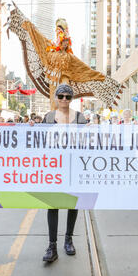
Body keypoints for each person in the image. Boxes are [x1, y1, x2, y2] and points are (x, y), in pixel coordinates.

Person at [7, 6, 123, 110]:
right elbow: (37, 37)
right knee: (54, 100)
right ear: (60, 41)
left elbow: (87, 70)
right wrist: (25, 23)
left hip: (65, 78)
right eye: (63, 41)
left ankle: (64, 113)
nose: (65, 44)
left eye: (67, 42)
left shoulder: (70, 57)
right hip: (53, 78)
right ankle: (54, 117)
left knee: (65, 92)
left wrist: (104, 80)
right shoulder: (50, 50)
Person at [40, 84, 87, 262]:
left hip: (73, 166)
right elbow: (39, 139)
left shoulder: (79, 117)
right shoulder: (49, 117)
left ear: (72, 98)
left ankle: (68, 239)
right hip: (54, 167)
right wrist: (30, 127)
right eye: (61, 96)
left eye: (68, 97)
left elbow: (85, 142)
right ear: (56, 98)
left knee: (71, 203)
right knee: (52, 205)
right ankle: (52, 245)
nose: (64, 100)